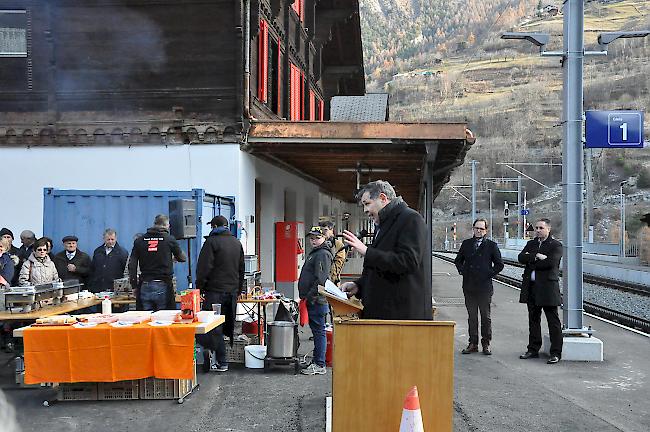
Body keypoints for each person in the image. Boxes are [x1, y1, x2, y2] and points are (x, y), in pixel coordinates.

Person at [340, 180, 432, 320]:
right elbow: (382, 270)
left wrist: (367, 251)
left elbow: (408, 262)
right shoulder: (385, 224)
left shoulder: (411, 219)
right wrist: (359, 285)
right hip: (386, 314)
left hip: (401, 317)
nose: (365, 210)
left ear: (383, 198)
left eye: (367, 203)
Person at [195, 215, 244, 373]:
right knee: (226, 325)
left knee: (213, 326)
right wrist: (239, 289)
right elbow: (241, 268)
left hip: (215, 292)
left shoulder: (211, 242)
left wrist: (200, 287)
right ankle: (220, 359)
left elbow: (204, 268)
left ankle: (221, 361)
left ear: (214, 226)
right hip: (231, 292)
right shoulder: (237, 243)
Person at [454, 218, 504, 355]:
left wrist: (488, 273)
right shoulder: (466, 244)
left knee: (485, 316)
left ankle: (486, 343)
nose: (478, 230)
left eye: (481, 228)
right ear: (473, 229)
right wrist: (463, 271)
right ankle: (472, 343)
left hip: (484, 287)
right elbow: (458, 261)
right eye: (476, 228)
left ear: (486, 230)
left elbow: (499, 265)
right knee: (472, 316)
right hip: (469, 286)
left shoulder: (491, 246)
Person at [518, 218, 563, 365]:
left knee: (553, 322)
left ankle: (555, 353)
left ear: (548, 229)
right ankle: (533, 349)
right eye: (536, 228)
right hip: (531, 288)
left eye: (541, 228)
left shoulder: (556, 245)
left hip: (548, 289)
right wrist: (536, 256)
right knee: (533, 320)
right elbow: (520, 258)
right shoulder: (531, 244)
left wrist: (531, 260)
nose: (537, 230)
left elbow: (550, 263)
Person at [129, 214, 186, 311]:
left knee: (145, 320)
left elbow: (132, 265)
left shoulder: (140, 240)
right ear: (166, 225)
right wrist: (170, 258)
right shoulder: (169, 239)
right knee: (164, 319)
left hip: (145, 284)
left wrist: (134, 286)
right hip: (163, 284)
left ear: (154, 224)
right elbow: (182, 258)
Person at [298, 226, 333, 375]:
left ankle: (319, 363)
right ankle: (317, 361)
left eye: (317, 238)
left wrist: (310, 296)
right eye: (311, 238)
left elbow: (321, 278)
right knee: (317, 331)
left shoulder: (322, 254)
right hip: (314, 298)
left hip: (317, 300)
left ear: (324, 238)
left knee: (319, 332)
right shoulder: (316, 253)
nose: (313, 240)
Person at [91, 228, 129, 293]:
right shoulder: (97, 251)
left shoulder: (123, 253)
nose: (110, 241)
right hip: (98, 289)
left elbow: (126, 272)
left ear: (116, 238)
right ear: (104, 239)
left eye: (112, 239)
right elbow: (93, 269)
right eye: (108, 239)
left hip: (115, 289)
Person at [318, 220, 346, 285]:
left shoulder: (338, 245)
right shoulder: (318, 243)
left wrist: (330, 278)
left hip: (333, 280)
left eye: (325, 230)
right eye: (321, 230)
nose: (323, 232)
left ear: (332, 230)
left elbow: (339, 263)